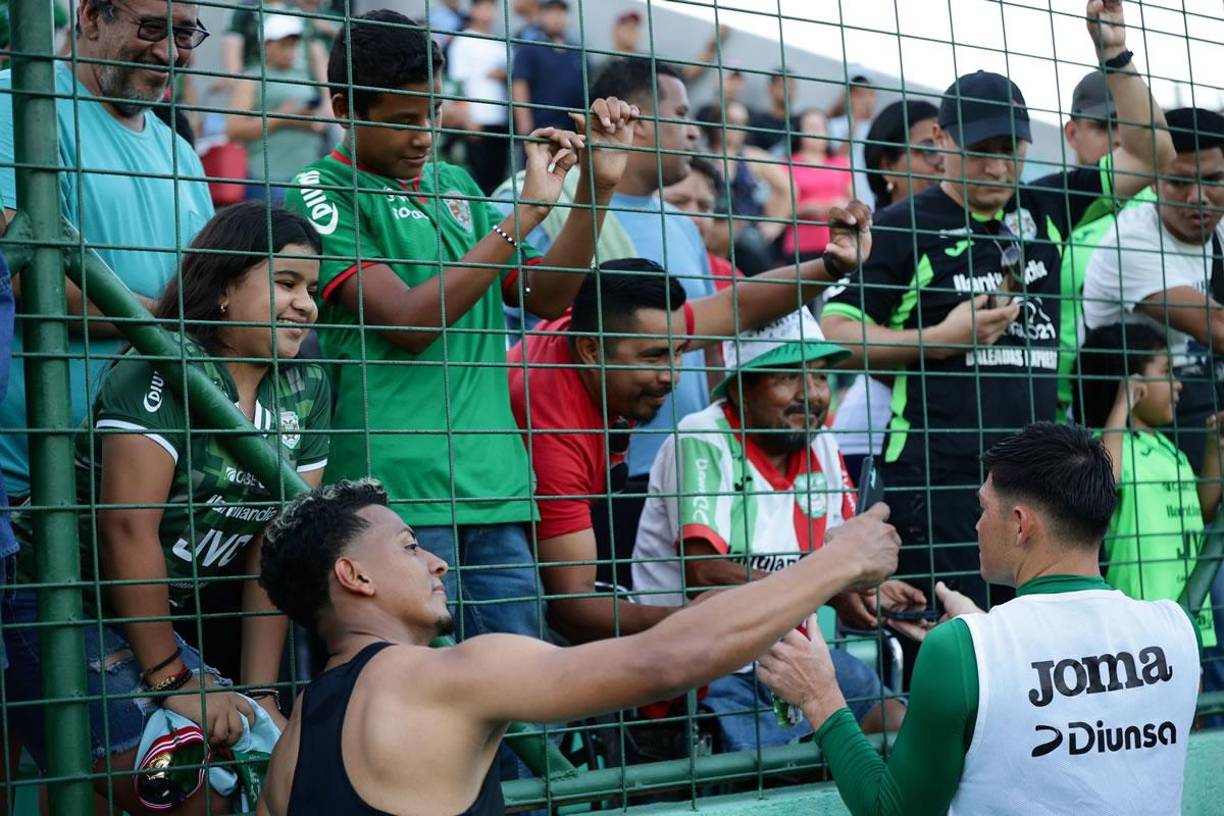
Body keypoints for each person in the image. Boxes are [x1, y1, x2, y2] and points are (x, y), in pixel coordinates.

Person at [282, 10, 636, 645]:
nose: (422, 136)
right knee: (420, 704)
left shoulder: (456, 184)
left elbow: (543, 294)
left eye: (433, 114)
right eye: (400, 120)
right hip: (396, 496)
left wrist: (594, 195)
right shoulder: (320, 189)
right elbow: (410, 322)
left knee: (523, 712)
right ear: (342, 106)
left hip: (495, 486)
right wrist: (522, 218)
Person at [256, 477, 902, 816]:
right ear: (355, 577)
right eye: (408, 547)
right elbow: (664, 662)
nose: (437, 562)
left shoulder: (294, 740)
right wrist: (837, 560)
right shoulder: (440, 676)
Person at [820, 0, 1174, 614]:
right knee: (949, 646)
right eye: (980, 146)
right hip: (939, 480)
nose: (995, 162)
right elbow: (835, 331)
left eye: (1010, 145)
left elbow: (1151, 157)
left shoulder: (1046, 205)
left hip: (1038, 485)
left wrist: (1113, 53)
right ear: (940, 140)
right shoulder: (906, 225)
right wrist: (944, 337)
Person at [3, 203, 329, 813]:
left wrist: (259, 693)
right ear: (226, 288)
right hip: (48, 596)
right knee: (185, 792)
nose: (306, 304)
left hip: (143, 620)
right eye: (286, 284)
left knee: (255, 759)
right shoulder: (163, 365)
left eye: (311, 289)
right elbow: (128, 527)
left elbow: (276, 544)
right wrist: (172, 678)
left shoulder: (306, 386)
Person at [758, 422, 1201, 815]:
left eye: (984, 509)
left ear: (1021, 524)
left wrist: (819, 697)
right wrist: (982, 629)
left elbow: (891, 812)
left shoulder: (961, 651)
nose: (976, 525)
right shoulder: (1176, 630)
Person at [507, 202, 871, 643]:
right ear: (590, 350)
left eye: (680, 350)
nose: (673, 375)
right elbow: (573, 605)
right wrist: (701, 624)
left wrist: (832, 265)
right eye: (655, 358)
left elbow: (737, 306)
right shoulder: (557, 433)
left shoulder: (612, 325)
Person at [632, 308, 920, 749]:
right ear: (741, 389)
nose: (812, 395)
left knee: (897, 727)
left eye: (820, 376)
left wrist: (870, 591)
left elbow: (843, 561)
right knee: (773, 771)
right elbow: (704, 573)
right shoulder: (701, 437)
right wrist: (828, 586)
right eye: (788, 376)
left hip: (797, 657)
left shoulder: (821, 442)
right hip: (707, 672)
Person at [0, 0, 215, 504]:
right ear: (92, 17)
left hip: (145, 489)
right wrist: (172, 321)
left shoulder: (180, 152)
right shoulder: (17, 105)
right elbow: (17, 276)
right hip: (28, 488)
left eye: (184, 34)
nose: (167, 52)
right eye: (151, 28)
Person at [1082, 107, 1224, 470]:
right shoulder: (1131, 241)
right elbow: (1218, 328)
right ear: (1152, 180)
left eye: (1213, 180)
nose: (1199, 196)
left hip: (1199, 402)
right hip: (1136, 422)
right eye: (1179, 182)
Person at [1075, 322, 1218, 646]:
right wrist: (1122, 405)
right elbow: (1106, 481)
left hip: (1188, 611)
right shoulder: (1105, 447)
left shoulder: (1171, 452)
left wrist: (1214, 449)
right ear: (1132, 383)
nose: (1178, 384)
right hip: (1137, 625)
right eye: (1166, 371)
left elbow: (1202, 512)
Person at [832, 99, 943, 478]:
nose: (942, 160)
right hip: (873, 433)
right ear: (887, 165)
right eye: (929, 149)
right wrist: (945, 343)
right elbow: (838, 341)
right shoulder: (862, 240)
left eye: (948, 146)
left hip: (941, 436)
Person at [1058, 68, 1127, 413]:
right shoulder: (1042, 209)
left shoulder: (1166, 209)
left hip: (1152, 405)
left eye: (1127, 126)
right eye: (1104, 126)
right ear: (1072, 133)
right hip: (1058, 408)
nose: (1118, 138)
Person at [225, 13, 325, 203]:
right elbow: (233, 130)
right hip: (267, 179)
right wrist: (282, 116)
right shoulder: (251, 79)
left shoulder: (305, 78)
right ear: (266, 45)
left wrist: (309, 120)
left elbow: (320, 124)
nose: (289, 51)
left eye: (293, 45)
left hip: (308, 179)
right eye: (283, 45)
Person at [697, 99, 793, 274]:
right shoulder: (701, 155)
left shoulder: (752, 156)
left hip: (745, 236)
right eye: (731, 121)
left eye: (741, 123)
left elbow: (788, 189)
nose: (736, 129)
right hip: (709, 233)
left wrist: (775, 224)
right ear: (717, 123)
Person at [447, 0, 512, 194]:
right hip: (476, 121)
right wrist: (468, 119)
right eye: (482, 6)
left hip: (501, 120)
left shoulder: (500, 43)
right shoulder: (463, 42)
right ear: (473, 10)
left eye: (491, 7)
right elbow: (456, 83)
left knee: (497, 178)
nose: (487, 12)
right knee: (477, 181)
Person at [781, 109, 854, 262]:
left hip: (840, 243)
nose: (817, 132)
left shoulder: (841, 162)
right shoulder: (787, 164)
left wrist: (841, 206)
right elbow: (780, 209)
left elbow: (854, 201)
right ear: (799, 132)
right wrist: (804, 209)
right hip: (801, 245)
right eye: (811, 127)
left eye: (821, 127)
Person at [511, 0, 588, 135]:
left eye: (561, 12)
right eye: (552, 12)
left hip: (573, 130)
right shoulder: (529, 48)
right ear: (541, 16)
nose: (557, 17)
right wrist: (525, 127)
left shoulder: (578, 52)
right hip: (541, 129)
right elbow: (519, 84)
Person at [826, 75, 878, 201]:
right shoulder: (833, 125)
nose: (865, 100)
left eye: (870, 95)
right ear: (849, 96)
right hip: (843, 187)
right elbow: (838, 157)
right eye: (860, 95)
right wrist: (856, 121)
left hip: (868, 189)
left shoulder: (875, 127)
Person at [748, 69, 797, 153]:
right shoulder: (757, 122)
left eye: (791, 87)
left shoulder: (799, 123)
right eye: (783, 86)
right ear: (770, 88)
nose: (788, 91)